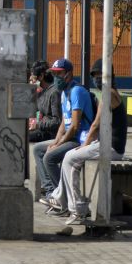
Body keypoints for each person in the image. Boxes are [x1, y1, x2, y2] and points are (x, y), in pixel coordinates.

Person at [44, 59, 128, 224]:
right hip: (104, 145)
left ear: (110, 76)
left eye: (100, 75)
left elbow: (96, 124)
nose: (97, 79)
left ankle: (76, 209)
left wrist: (84, 145)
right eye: (95, 75)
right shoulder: (107, 93)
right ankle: (61, 199)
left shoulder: (108, 94)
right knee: (69, 155)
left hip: (112, 147)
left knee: (70, 158)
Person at [32, 58, 95, 203]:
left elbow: (74, 126)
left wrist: (59, 143)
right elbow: (63, 124)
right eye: (54, 73)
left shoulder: (76, 91)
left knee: (49, 157)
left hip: (80, 139)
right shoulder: (63, 92)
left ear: (68, 73)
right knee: (38, 149)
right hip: (68, 137)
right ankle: (51, 192)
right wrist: (57, 141)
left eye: (59, 73)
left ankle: (63, 199)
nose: (56, 77)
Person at [28, 60, 62, 143]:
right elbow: (31, 110)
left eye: (33, 75)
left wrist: (38, 125)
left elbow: (57, 121)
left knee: (26, 137)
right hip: (43, 129)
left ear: (41, 76)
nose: (31, 79)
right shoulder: (42, 92)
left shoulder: (54, 93)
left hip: (51, 133)